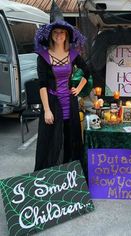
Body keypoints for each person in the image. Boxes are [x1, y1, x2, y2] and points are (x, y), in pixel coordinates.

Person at [34, 1, 90, 171]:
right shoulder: (43, 57)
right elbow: (42, 84)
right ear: (51, 35)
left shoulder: (73, 54)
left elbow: (87, 71)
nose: (59, 35)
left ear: (67, 35)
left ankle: (69, 176)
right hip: (52, 103)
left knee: (70, 139)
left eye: (62, 32)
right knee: (51, 141)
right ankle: (49, 177)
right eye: (56, 32)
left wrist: (78, 89)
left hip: (70, 104)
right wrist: (47, 110)